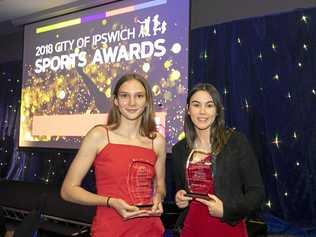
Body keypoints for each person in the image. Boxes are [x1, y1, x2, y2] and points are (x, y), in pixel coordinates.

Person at [61, 73, 166, 237]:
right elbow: (68, 190)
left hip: (150, 230)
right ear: (116, 101)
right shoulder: (99, 136)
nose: (132, 102)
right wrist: (110, 202)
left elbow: (160, 186)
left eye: (138, 96)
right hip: (110, 230)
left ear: (146, 102)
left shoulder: (157, 141)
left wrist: (158, 196)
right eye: (125, 96)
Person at [171, 83, 265, 237]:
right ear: (188, 109)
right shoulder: (179, 150)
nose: (202, 112)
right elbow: (182, 189)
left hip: (228, 228)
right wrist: (180, 197)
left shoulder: (236, 142)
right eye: (196, 105)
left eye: (209, 105)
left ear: (217, 110)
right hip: (191, 229)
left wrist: (227, 210)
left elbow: (257, 193)